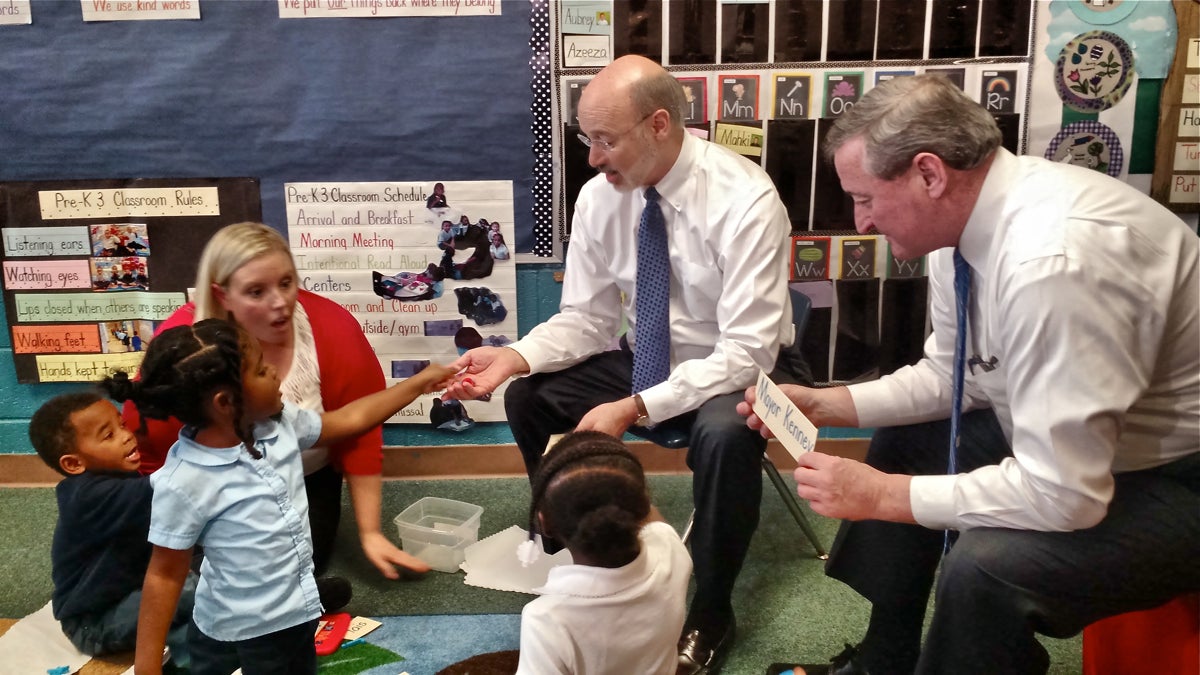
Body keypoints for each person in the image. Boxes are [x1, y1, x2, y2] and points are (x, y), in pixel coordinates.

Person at [739, 74, 1200, 675]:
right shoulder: (962, 232)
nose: (861, 224)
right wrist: (830, 404)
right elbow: (957, 378)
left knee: (986, 564)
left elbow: (1066, 496)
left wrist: (885, 496)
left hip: (1177, 477)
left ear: (929, 174)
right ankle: (886, 661)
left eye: (866, 198)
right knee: (910, 442)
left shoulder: (1051, 263)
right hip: (1097, 447)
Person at [443, 54, 810, 675]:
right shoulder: (599, 198)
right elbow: (587, 320)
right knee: (529, 395)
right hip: (648, 358)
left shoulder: (747, 201)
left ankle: (713, 608)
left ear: (659, 124)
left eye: (605, 140)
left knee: (725, 435)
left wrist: (635, 406)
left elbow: (748, 351)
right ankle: (572, 541)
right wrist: (513, 356)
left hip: (740, 366)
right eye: (587, 139)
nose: (592, 157)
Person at [103, 319, 453, 675]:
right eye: (260, 368)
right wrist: (147, 665)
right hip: (226, 626)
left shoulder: (280, 423)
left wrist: (416, 384)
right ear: (226, 402)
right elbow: (164, 574)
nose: (274, 371)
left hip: (292, 616)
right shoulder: (183, 481)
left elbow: (349, 419)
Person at [121, 222, 430, 583]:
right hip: (209, 490)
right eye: (256, 291)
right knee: (202, 577)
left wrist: (370, 532)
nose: (281, 302)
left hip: (301, 479)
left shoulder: (332, 330)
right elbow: (151, 447)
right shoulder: (186, 353)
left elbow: (357, 425)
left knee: (304, 569)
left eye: (287, 283)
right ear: (223, 296)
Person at [29, 390, 196, 671]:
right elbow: (177, 482)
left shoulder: (117, 475)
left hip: (135, 590)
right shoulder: (90, 496)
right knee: (200, 587)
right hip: (95, 622)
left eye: (121, 424)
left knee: (202, 581)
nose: (126, 435)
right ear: (73, 463)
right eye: (108, 436)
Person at [515, 431, 692, 675]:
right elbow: (654, 521)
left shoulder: (546, 620)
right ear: (641, 505)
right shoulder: (670, 549)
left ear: (545, 523)